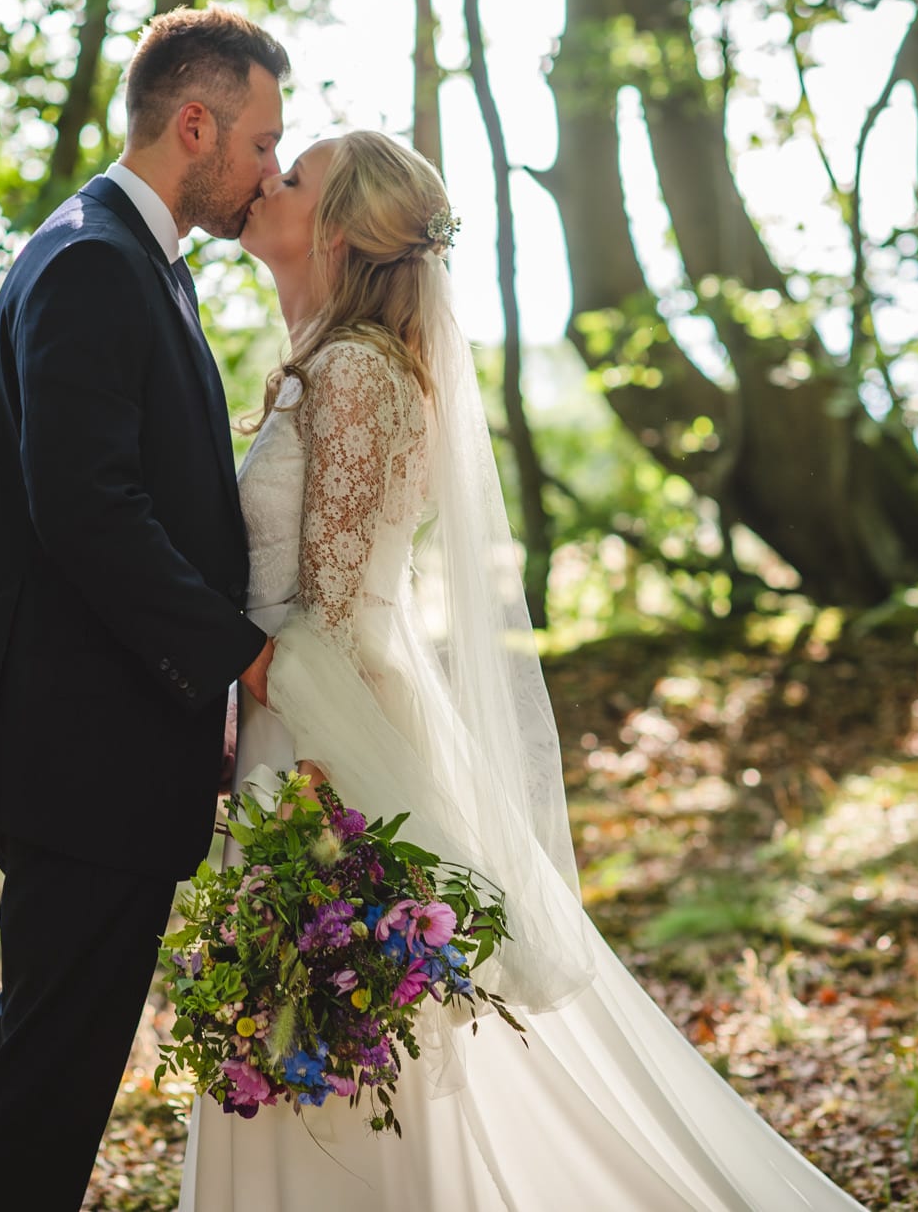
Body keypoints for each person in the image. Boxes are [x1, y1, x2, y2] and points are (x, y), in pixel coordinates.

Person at [177, 131, 872, 1211]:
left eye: (293, 175)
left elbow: (332, 618)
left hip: (324, 748)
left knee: (338, 1043)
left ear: (344, 229)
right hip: (288, 725)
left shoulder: (358, 372)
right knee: (303, 1044)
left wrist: (293, 756)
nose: (267, 180)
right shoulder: (319, 364)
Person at [0, 6, 290, 1211]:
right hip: (77, 753)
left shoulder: (125, 259)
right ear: (193, 124)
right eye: (261, 141)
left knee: (57, 1064)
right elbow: (86, 509)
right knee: (49, 1076)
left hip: (104, 746)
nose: (268, 172)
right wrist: (239, 659)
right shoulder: (87, 261)